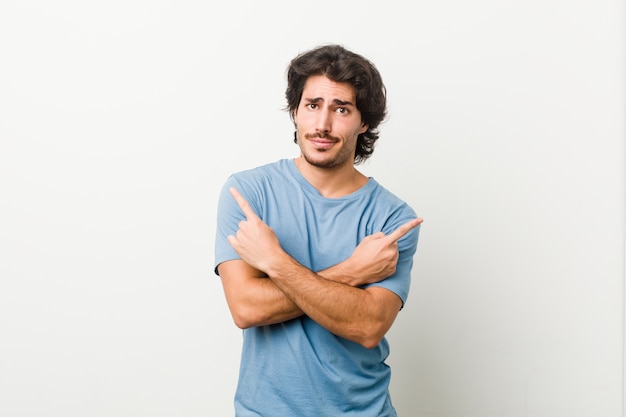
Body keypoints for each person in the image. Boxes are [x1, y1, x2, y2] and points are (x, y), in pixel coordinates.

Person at [214, 44, 423, 417]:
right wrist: (351, 272)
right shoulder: (247, 193)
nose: (322, 124)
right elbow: (245, 308)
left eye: (341, 109)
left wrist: (273, 263)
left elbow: (368, 325)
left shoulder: (393, 218)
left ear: (363, 122)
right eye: (312, 105)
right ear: (295, 112)